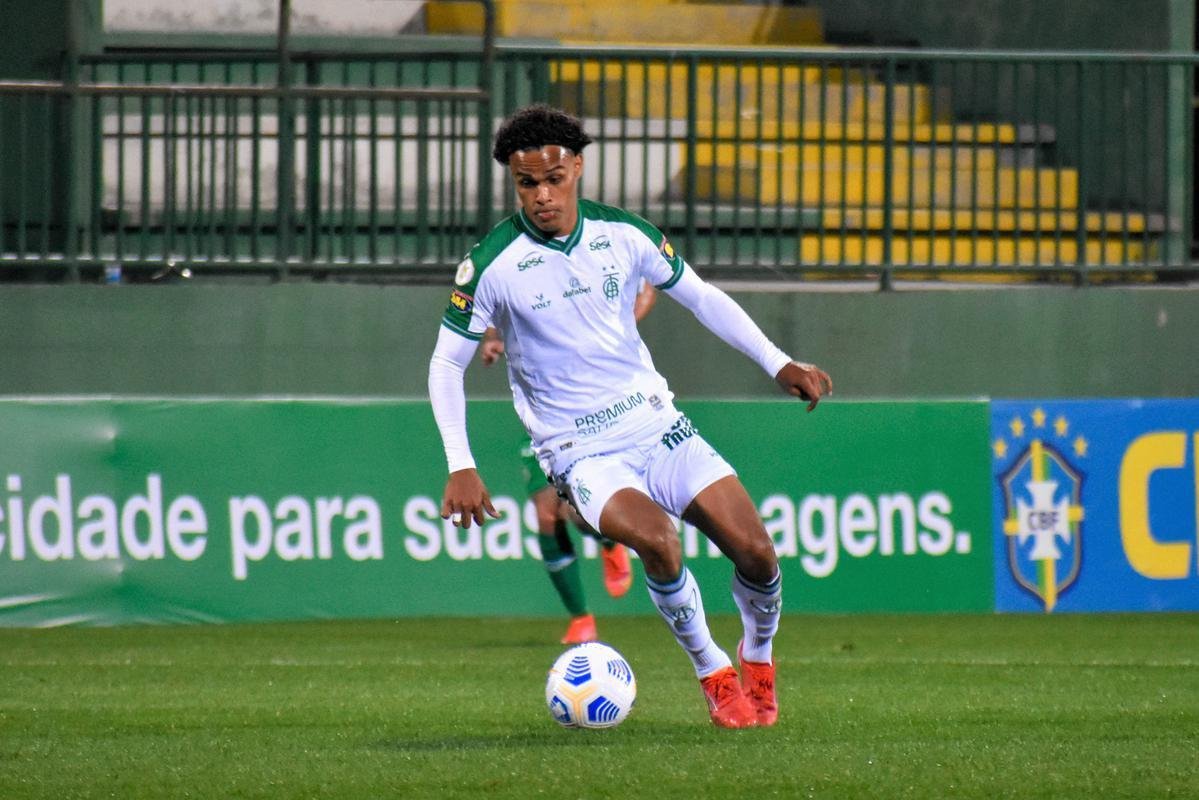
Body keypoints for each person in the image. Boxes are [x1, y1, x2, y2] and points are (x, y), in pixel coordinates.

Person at [428, 104, 832, 729]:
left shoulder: (625, 234)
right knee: (659, 542)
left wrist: (777, 361)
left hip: (656, 424)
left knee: (758, 554)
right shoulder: (490, 265)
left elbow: (701, 296)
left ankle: (758, 656)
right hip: (579, 450)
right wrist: (461, 463)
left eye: (553, 179)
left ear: (578, 169)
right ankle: (713, 671)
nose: (541, 196)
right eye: (526, 183)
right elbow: (444, 365)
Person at [478, 281, 657, 645]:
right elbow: (491, 297)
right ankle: (581, 618)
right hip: (540, 413)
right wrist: (494, 338)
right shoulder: (517, 257)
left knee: (575, 511)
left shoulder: (592, 248)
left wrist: (620, 326)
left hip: (589, 410)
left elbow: (648, 287)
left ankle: (608, 542)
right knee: (546, 515)